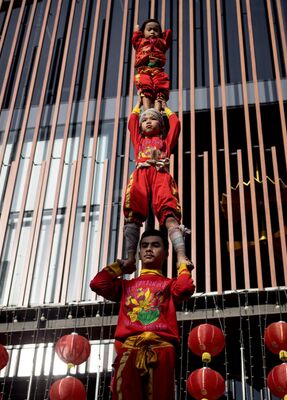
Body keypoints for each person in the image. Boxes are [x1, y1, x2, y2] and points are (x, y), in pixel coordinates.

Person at [89, 229, 195, 400]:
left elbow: (185, 288)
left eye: (155, 245)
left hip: (161, 348)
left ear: (166, 254)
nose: (148, 249)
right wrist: (123, 265)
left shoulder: (169, 285)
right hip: (129, 348)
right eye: (144, 246)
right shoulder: (125, 285)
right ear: (139, 253)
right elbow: (98, 284)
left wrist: (182, 264)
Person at [120, 99, 192, 271]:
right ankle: (130, 258)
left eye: (152, 119)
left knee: (169, 214)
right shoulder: (139, 142)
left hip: (160, 175)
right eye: (144, 120)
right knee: (133, 215)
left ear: (160, 125)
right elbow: (131, 123)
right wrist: (138, 106)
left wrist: (166, 109)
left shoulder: (165, 143)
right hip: (141, 175)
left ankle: (181, 257)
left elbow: (175, 124)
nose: (148, 122)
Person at [132, 19, 172, 110]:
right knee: (145, 86)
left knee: (161, 87)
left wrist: (163, 34)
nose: (152, 32)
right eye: (149, 29)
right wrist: (137, 30)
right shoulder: (140, 42)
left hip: (158, 70)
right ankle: (147, 110)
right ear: (143, 32)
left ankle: (157, 111)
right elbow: (135, 38)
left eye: (156, 30)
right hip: (143, 70)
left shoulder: (162, 42)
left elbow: (168, 34)